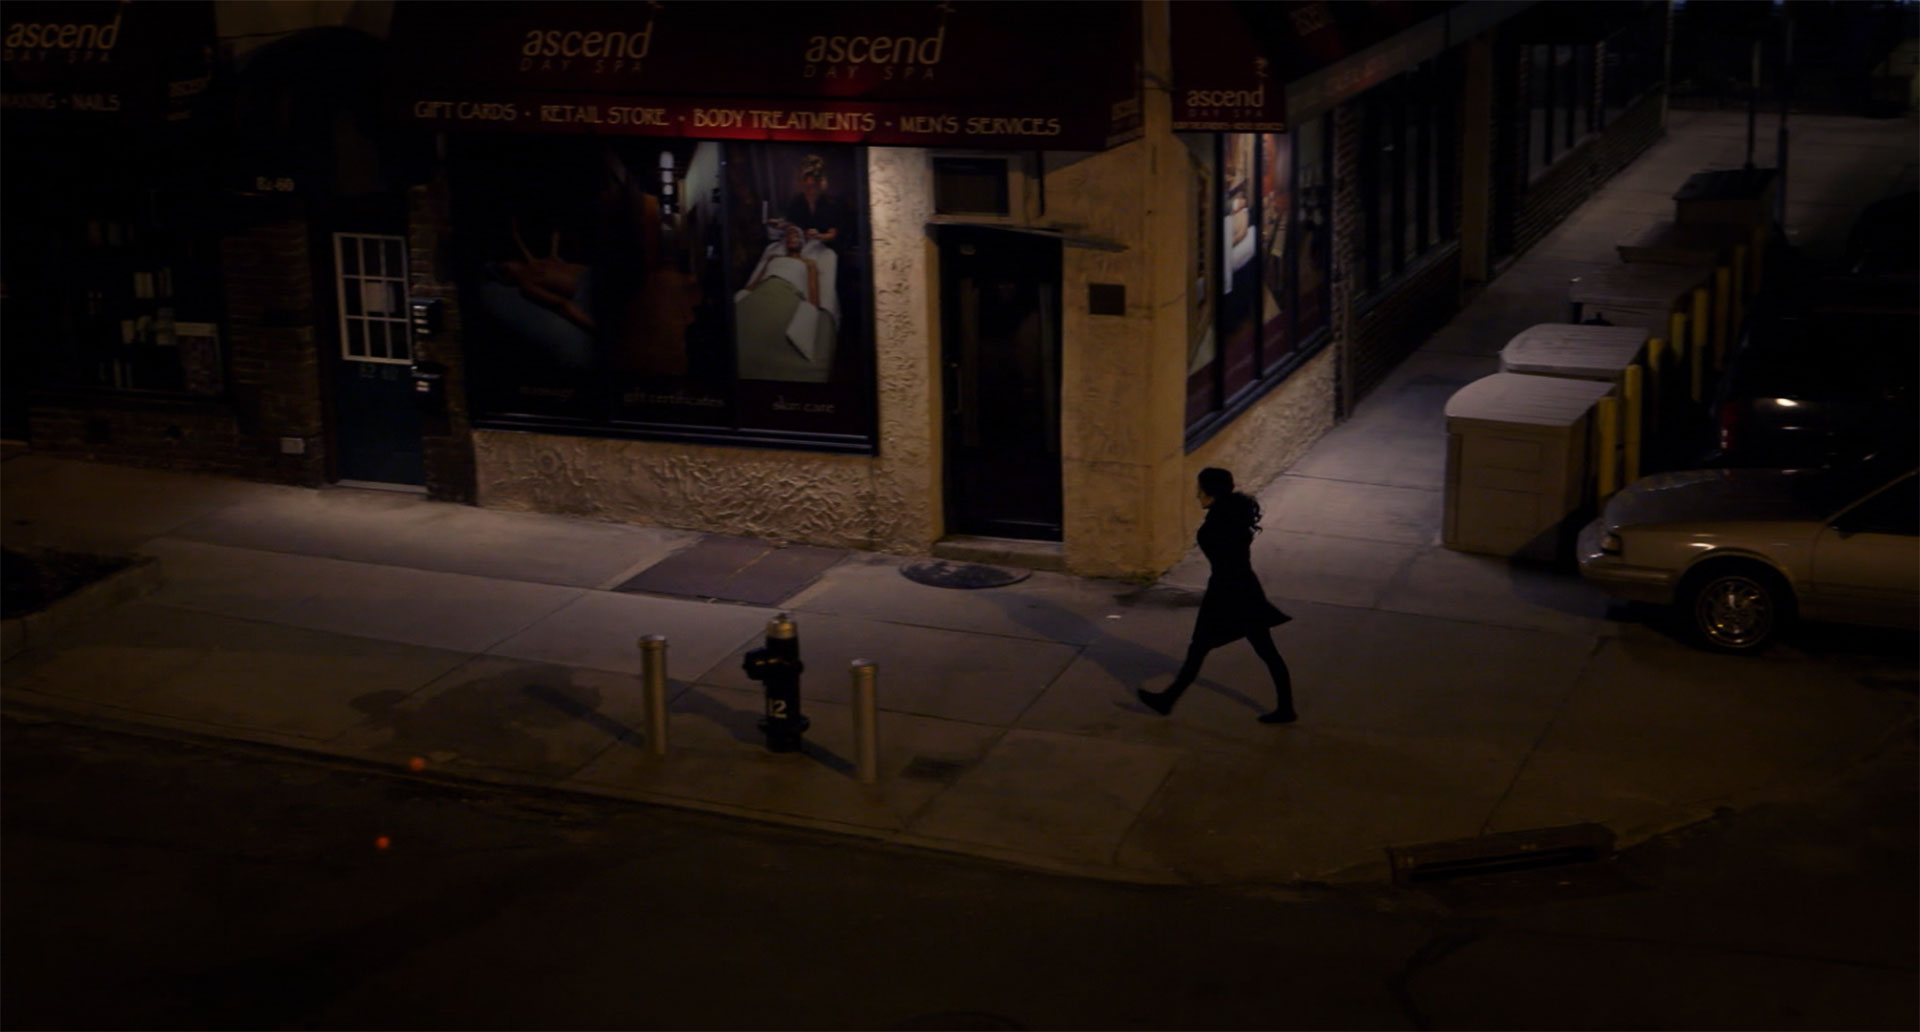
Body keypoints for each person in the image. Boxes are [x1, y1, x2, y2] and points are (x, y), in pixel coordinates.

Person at [1138, 467, 1297, 723]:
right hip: (1247, 590)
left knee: (1199, 648)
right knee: (1267, 651)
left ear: (1210, 494)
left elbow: (1223, 561)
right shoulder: (1236, 513)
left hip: (1224, 593)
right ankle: (1286, 708)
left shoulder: (1215, 526)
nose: (1197, 495)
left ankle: (1167, 699)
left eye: (1200, 490)